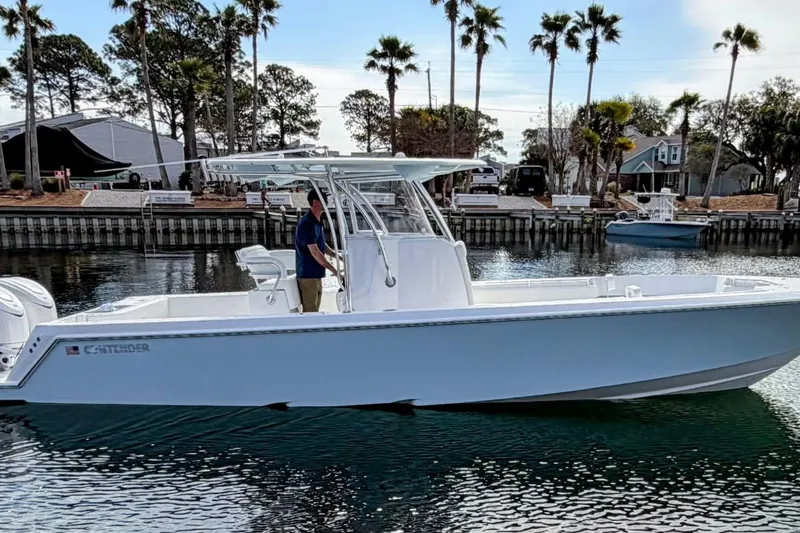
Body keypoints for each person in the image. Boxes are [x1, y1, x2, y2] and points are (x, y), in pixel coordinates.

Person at [295, 189, 340, 312]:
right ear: (315, 202)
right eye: (324, 200)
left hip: (316, 275)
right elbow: (315, 252)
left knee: (315, 310)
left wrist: (338, 256)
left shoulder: (316, 221)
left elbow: (321, 245)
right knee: (311, 312)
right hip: (308, 276)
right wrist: (334, 271)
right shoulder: (307, 223)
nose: (327, 202)